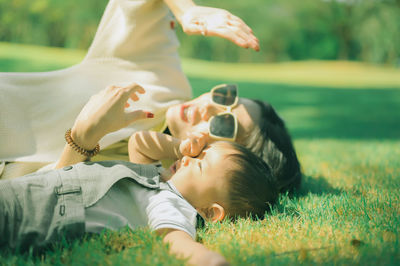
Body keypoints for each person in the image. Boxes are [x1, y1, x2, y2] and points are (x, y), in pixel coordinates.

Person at [0, 0, 301, 193]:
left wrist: (82, 140)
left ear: (231, 162)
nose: (207, 105)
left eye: (224, 124)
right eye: (226, 96)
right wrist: (187, 10)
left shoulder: (149, 189)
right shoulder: (162, 77)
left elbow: (45, 198)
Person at [0, 84, 278, 266]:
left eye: (201, 164)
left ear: (210, 211)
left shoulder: (172, 205)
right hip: (37, 191)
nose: (192, 157)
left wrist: (207, 260)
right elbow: (139, 143)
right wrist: (177, 146)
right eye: (203, 151)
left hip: (43, 216)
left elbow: (175, 240)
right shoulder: (158, 176)